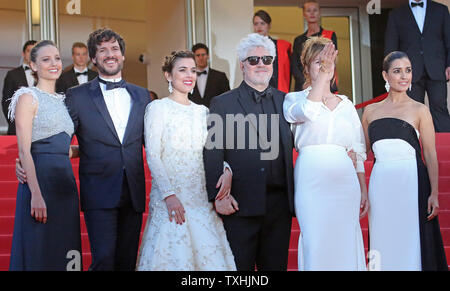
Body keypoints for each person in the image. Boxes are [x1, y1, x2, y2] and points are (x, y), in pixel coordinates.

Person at [136, 51, 236, 271]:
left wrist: (226, 170)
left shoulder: (203, 112)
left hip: (200, 197)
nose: (189, 75)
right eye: (182, 70)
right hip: (171, 198)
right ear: (168, 75)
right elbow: (153, 155)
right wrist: (169, 195)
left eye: (193, 70)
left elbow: (214, 153)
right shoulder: (157, 108)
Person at [203, 33, 295, 271]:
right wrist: (218, 196)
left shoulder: (288, 102)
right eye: (253, 60)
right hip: (240, 204)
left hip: (279, 206)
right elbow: (213, 149)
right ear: (242, 65)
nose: (261, 64)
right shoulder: (222, 103)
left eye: (266, 59)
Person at [64, 28, 150, 271]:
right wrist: (34, 158)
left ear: (122, 55)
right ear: (93, 58)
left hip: (133, 190)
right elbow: (61, 139)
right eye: (102, 50)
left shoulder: (142, 95)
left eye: (114, 49)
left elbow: (153, 142)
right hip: (98, 190)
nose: (110, 54)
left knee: (126, 262)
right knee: (104, 259)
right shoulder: (76, 96)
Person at [283, 37, 368, 271]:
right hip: (311, 179)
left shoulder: (347, 105)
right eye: (318, 62)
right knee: (315, 239)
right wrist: (322, 79)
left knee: (345, 240)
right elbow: (308, 112)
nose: (324, 67)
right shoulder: (293, 99)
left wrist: (363, 188)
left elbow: (358, 149)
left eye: (328, 62)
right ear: (306, 67)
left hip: (345, 183)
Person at [362, 51, 448, 271]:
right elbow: (363, 152)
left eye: (408, 70)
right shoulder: (370, 112)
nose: (404, 76)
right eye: (397, 71)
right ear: (385, 75)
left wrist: (435, 193)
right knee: (383, 239)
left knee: (411, 241)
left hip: (412, 183)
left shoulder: (420, 110)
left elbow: (430, 154)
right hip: (380, 186)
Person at [8, 40, 82, 271]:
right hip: (39, 183)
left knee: (65, 249)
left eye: (57, 58)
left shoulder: (66, 101)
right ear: (33, 65)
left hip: (65, 186)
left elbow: (65, 148)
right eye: (46, 59)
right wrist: (36, 195)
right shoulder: (27, 97)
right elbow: (24, 151)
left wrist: (89, 150)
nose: (54, 63)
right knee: (39, 248)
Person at [384, 0, 450, 132]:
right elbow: (391, 47)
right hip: (408, 73)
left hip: (437, 68)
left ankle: (446, 146)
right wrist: (391, 71)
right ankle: (412, 147)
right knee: (411, 110)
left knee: (439, 107)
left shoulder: (441, 10)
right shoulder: (396, 14)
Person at [291, 0, 338, 92]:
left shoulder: (329, 35)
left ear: (319, 13)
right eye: (308, 10)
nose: (312, 13)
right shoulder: (298, 40)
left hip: (325, 83)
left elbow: (333, 61)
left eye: (315, 10)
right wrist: (306, 83)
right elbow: (295, 66)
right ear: (304, 14)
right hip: (303, 86)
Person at [2, 40, 37, 135]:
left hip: (40, 130)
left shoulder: (44, 74)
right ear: (23, 53)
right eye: (29, 51)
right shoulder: (12, 75)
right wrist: (15, 122)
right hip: (17, 128)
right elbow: (6, 102)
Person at [253, 10, 292, 93]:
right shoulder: (250, 49)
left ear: (269, 25)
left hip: (277, 90)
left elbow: (288, 73)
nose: (259, 27)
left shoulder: (282, 47)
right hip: (256, 91)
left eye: (262, 23)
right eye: (256, 24)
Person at [188, 43, 230, 108]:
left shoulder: (220, 77)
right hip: (193, 116)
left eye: (203, 55)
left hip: (216, 115)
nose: (201, 58)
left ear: (208, 56)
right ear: (193, 57)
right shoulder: (188, 78)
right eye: (198, 55)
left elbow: (227, 99)